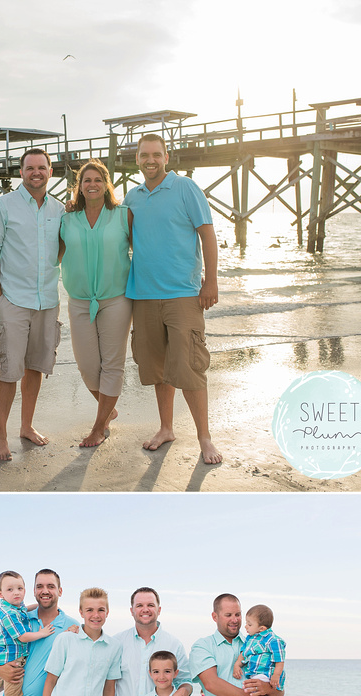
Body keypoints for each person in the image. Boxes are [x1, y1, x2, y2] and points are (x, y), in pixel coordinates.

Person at [124, 134, 222, 464]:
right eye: (144, 155)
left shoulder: (186, 188)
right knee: (158, 367)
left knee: (190, 366)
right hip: (144, 295)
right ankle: (165, 428)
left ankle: (204, 438)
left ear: (167, 157)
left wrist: (211, 280)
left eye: (156, 155)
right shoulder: (132, 197)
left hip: (183, 293)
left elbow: (207, 232)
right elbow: (117, 238)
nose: (150, 160)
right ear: (136, 159)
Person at [0, 148, 63, 460]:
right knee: (8, 369)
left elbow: (63, 246)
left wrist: (49, 269)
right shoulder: (3, 206)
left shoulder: (59, 210)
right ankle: (0, 435)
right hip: (13, 300)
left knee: (35, 367)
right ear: (21, 172)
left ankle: (26, 426)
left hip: (47, 299)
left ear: (50, 171)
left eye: (41, 167)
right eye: (30, 168)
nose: (36, 173)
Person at [59, 160, 134, 448]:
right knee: (87, 365)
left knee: (112, 365)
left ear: (106, 184)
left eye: (97, 180)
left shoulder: (123, 215)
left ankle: (98, 427)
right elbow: (51, 254)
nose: (91, 185)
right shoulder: (67, 220)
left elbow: (145, 250)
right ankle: (108, 409)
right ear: (79, 186)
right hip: (79, 301)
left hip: (116, 299)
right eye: (86, 180)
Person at [229, 604, 286, 696]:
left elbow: (279, 660)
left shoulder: (273, 640)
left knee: (251, 695)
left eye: (249, 624)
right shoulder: (250, 639)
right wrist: (237, 664)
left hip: (267, 674)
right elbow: (244, 654)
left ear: (261, 628)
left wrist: (276, 676)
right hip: (255, 674)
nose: (245, 627)